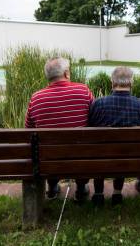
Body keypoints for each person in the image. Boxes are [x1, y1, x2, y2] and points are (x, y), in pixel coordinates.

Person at [25, 57, 94, 201]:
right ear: (66, 73)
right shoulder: (83, 90)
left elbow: (28, 129)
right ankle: (81, 189)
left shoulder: (36, 98)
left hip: (48, 159)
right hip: (80, 157)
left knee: (47, 149)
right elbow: (94, 120)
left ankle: (52, 187)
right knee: (82, 148)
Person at [88, 66, 140, 206]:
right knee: (123, 149)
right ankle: (117, 193)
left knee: (102, 150)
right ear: (131, 83)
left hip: (101, 158)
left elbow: (90, 129)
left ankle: (98, 193)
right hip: (131, 158)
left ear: (112, 82)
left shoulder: (98, 104)